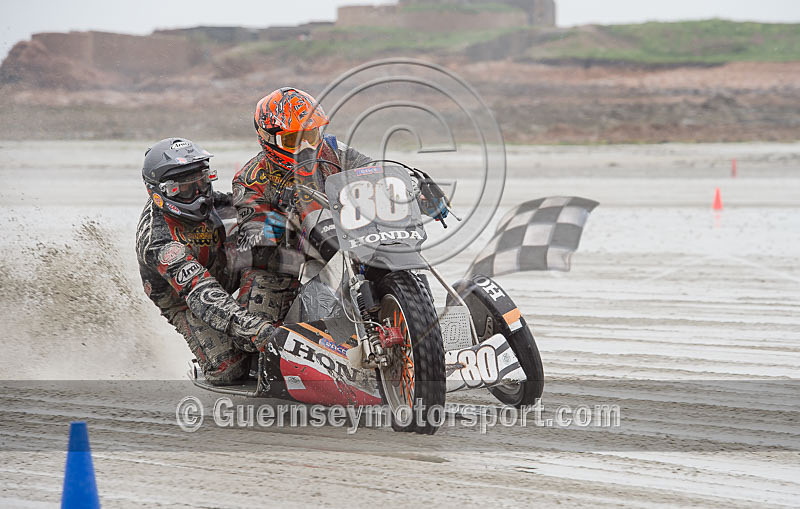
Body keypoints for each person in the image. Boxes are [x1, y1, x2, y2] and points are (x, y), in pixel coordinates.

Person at [231, 87, 449, 322]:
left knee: (395, 254)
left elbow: (373, 173)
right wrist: (280, 221)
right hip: (287, 260)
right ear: (268, 139)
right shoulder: (250, 178)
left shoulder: (333, 149)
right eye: (293, 139)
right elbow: (252, 237)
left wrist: (413, 195)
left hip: (347, 238)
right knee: (257, 326)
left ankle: (420, 320)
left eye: (311, 135)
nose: (306, 146)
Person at [136, 137, 277, 385]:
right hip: (185, 300)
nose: (198, 193)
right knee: (229, 369)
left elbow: (255, 206)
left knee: (270, 235)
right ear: (157, 191)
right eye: (183, 188)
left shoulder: (214, 202)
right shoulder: (157, 240)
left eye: (202, 181)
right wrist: (253, 328)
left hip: (223, 267)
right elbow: (200, 292)